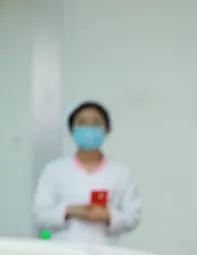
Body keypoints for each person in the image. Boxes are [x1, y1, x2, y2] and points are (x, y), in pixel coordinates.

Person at [33, 101, 141, 244]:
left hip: (107, 249)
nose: (89, 129)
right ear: (72, 130)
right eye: (82, 123)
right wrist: (70, 211)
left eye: (96, 123)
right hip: (63, 249)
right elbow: (40, 215)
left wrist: (107, 215)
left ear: (107, 130)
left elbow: (133, 217)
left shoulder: (120, 173)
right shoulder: (54, 170)